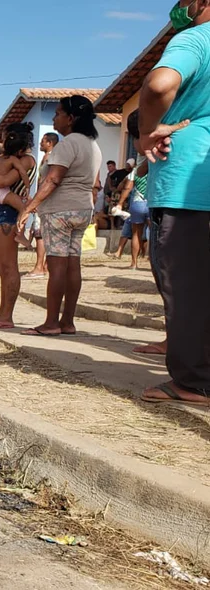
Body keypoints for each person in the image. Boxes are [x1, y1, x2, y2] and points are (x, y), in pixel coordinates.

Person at [135, 0, 210, 405]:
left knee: (188, 285)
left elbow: (159, 85)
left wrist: (148, 131)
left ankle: (193, 382)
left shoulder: (196, 38)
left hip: (189, 187)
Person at [16, 95, 102, 336]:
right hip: (82, 208)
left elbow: (54, 178)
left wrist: (30, 207)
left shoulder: (67, 144)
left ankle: (51, 322)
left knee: (57, 266)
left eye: (58, 113)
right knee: (73, 264)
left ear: (71, 118)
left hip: (60, 210)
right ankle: (67, 321)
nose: (55, 117)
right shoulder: (92, 145)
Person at [0, 123, 38, 329]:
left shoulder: (26, 160)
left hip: (9, 213)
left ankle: (7, 314)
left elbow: (3, 181)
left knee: (9, 266)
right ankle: (2, 312)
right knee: (2, 266)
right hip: (1, 210)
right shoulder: (12, 158)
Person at [114, 112, 150, 270]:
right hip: (152, 200)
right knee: (152, 233)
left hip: (138, 202)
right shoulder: (155, 167)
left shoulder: (135, 172)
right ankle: (149, 258)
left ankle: (134, 263)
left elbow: (128, 187)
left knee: (136, 233)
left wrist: (120, 203)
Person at [25, 133, 59, 279]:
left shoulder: (49, 158)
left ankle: (39, 266)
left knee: (40, 234)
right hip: (49, 201)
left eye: (43, 141)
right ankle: (45, 265)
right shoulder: (55, 157)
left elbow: (45, 181)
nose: (40, 144)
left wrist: (37, 201)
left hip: (45, 200)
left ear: (50, 143)